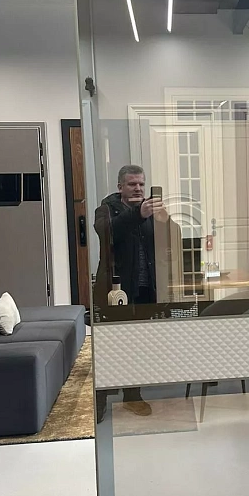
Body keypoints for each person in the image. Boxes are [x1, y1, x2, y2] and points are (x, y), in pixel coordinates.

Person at [94, 165, 174, 417]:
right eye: (132, 184)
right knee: (111, 346)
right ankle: (101, 398)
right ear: (120, 187)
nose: (138, 188)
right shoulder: (106, 209)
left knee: (138, 346)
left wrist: (166, 221)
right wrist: (138, 214)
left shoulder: (151, 211)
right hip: (115, 291)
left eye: (141, 184)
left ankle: (132, 396)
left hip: (145, 290)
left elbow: (173, 238)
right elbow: (108, 233)